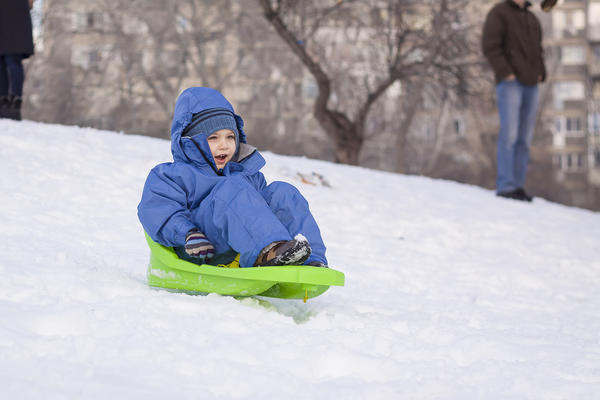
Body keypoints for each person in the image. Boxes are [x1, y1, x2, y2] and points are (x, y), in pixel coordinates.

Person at [138, 87, 328, 268]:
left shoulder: (244, 173)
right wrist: (187, 233)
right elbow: (157, 211)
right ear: (191, 141)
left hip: (239, 246)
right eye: (213, 138)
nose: (224, 145)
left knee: (283, 192)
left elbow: (260, 211)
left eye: (230, 137)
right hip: (199, 249)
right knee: (231, 188)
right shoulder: (173, 175)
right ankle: (268, 251)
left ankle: (310, 259)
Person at [482, 0, 547, 202]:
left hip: (531, 84)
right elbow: (490, 46)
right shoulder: (499, 13)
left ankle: (517, 185)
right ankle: (506, 185)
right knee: (509, 135)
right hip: (510, 84)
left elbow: (538, 50)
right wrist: (506, 72)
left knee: (524, 139)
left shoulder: (531, 18)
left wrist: (541, 73)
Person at [0, 0, 34, 121]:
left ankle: (13, 102)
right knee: (4, 61)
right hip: (11, 13)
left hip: (15, 14)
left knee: (11, 60)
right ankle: (5, 102)